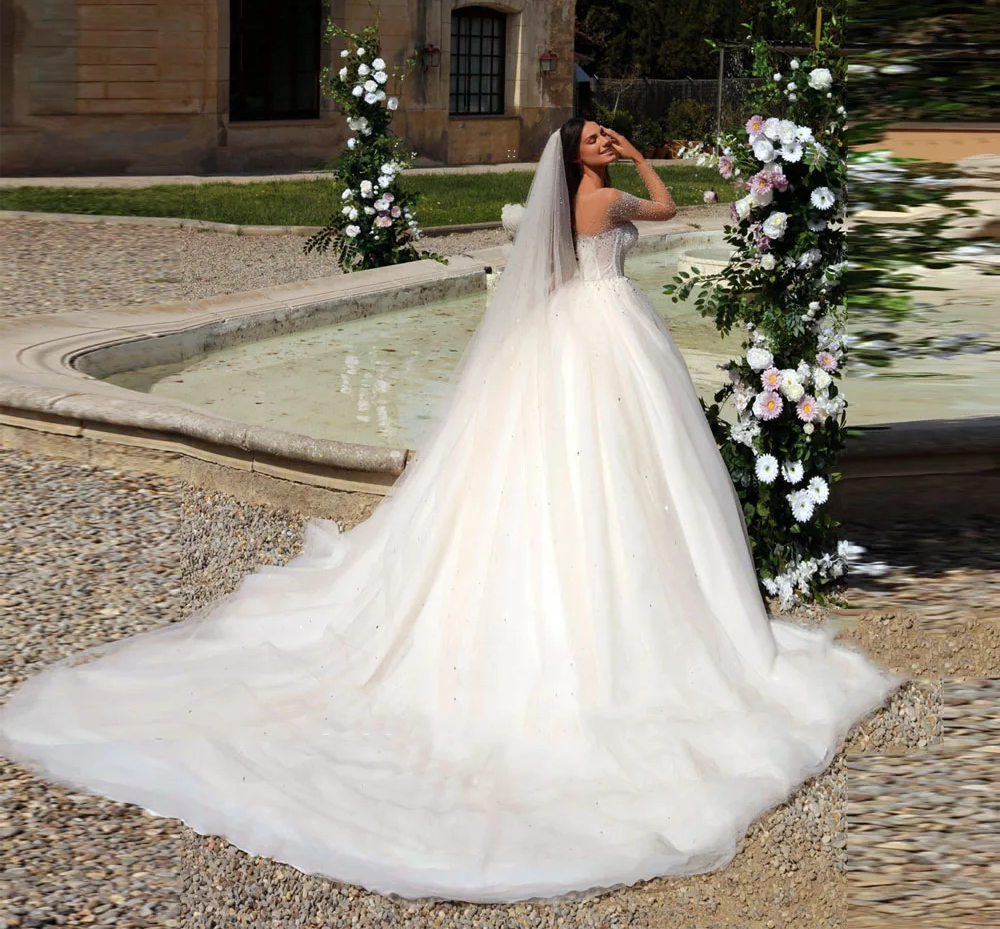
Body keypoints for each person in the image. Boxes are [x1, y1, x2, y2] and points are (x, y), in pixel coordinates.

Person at [0, 119, 902, 905]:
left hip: (574, 339)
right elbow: (666, 212)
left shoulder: (564, 208)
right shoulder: (607, 202)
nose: (601, 144)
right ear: (572, 155)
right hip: (611, 337)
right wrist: (640, 160)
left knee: (585, 465)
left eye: (604, 137)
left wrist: (619, 156)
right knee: (622, 465)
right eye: (590, 138)